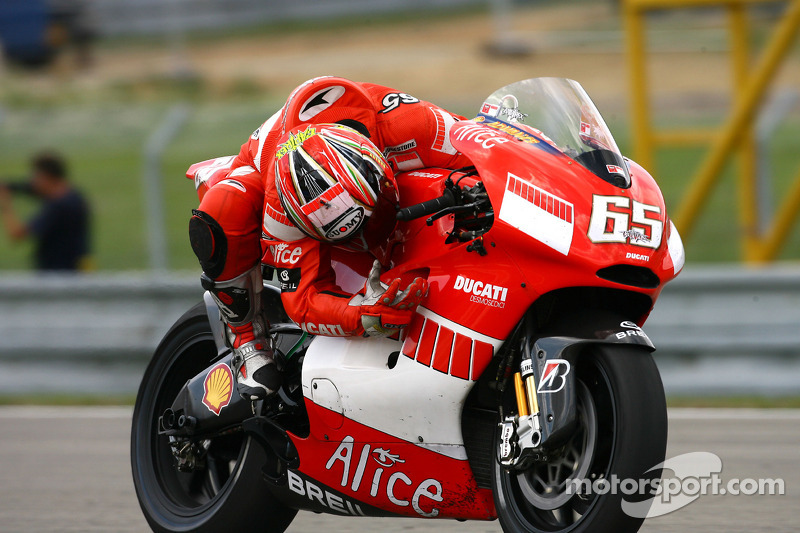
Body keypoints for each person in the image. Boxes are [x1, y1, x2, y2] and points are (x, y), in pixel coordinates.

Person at [188, 76, 472, 400]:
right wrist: (362, 316)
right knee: (227, 206)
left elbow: (490, 146)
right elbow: (302, 301)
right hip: (261, 173)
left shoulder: (411, 125)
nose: (370, 229)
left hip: (375, 158)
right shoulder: (281, 209)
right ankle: (246, 338)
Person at [0, 152, 90, 271]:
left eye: (36, 176)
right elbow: (29, 189)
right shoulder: (74, 196)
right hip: (79, 266)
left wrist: (5, 205)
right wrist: (9, 186)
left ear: (46, 177)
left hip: (61, 274)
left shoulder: (59, 207)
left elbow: (18, 234)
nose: (32, 180)